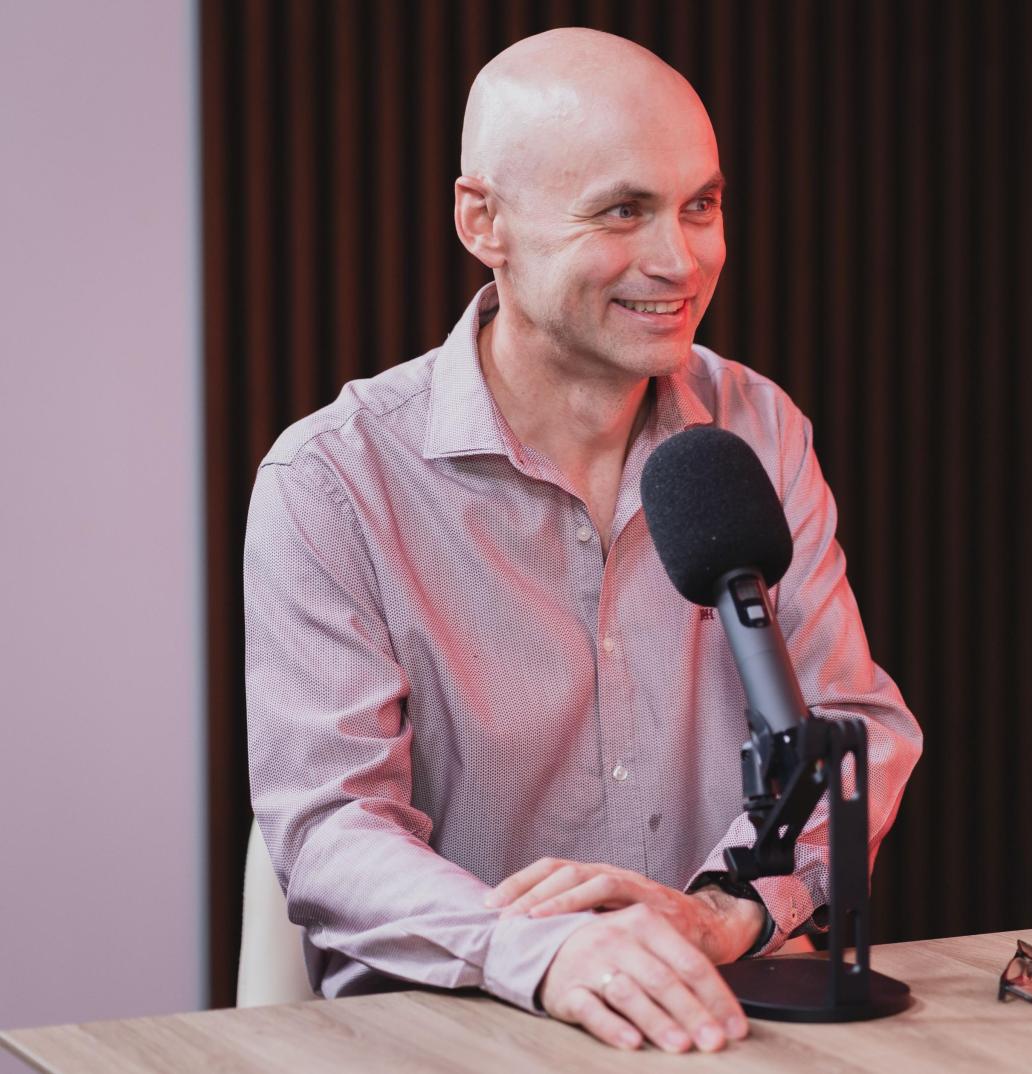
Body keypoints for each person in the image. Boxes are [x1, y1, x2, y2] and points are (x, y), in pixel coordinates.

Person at [243, 27, 922, 1055]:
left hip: (712, 1021)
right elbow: (332, 830)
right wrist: (544, 951)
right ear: (484, 222)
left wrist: (722, 911)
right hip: (448, 1036)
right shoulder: (331, 481)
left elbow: (851, 725)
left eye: (700, 206)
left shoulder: (759, 428)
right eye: (622, 211)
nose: (679, 260)